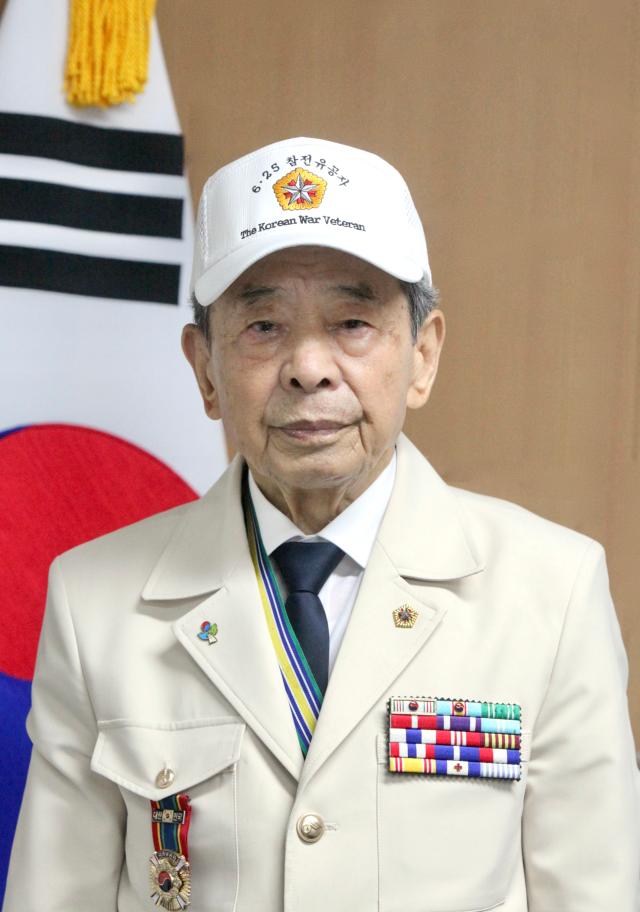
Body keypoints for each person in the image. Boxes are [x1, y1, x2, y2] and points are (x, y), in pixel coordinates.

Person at [4, 137, 639, 912]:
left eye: (352, 322)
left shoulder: (552, 591)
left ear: (424, 355)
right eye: (264, 326)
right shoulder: (95, 600)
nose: (310, 367)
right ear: (205, 368)